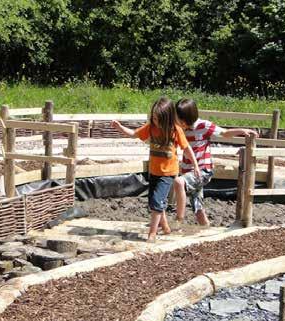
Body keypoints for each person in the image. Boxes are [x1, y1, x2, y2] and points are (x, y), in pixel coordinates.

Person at [111, 97, 200, 242]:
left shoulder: (175, 130)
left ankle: (152, 233)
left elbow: (186, 148)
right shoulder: (151, 127)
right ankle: (165, 228)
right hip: (154, 171)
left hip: (168, 173)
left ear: (167, 118)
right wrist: (120, 127)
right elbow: (134, 134)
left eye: (158, 119)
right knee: (154, 201)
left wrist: (195, 165)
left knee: (157, 201)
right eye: (153, 118)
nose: (155, 121)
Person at [173, 98, 259, 226]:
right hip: (188, 172)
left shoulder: (203, 126)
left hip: (203, 170)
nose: (178, 123)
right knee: (198, 208)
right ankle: (206, 227)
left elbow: (224, 133)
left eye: (180, 120)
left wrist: (242, 131)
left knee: (179, 182)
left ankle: (178, 221)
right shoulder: (179, 129)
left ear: (189, 118)